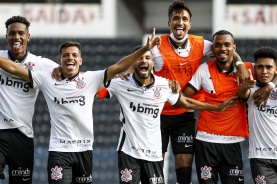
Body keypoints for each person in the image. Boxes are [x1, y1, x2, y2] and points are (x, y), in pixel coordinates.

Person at [0, 28, 161, 183]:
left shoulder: (91, 79)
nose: (70, 58)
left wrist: (145, 49)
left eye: (74, 55)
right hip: (59, 151)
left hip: (84, 150)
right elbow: (14, 68)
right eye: (66, 55)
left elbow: (119, 66)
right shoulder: (46, 79)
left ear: (80, 60)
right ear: (59, 60)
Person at [96, 45, 236, 184]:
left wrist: (216, 108)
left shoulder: (164, 85)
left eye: (148, 58)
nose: (143, 61)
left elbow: (187, 103)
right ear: (133, 63)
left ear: (152, 63)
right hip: (128, 152)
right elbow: (97, 93)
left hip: (154, 154)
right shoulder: (121, 83)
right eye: (139, 58)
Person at [150, 1, 248, 183]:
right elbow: (138, 67)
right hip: (158, 113)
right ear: (169, 23)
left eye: (184, 19)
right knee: (157, 162)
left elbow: (225, 49)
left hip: (184, 113)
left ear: (190, 24)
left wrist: (240, 63)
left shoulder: (200, 43)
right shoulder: (156, 45)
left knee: (184, 163)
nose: (180, 22)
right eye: (176, 18)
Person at [182, 30, 253, 184]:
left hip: (232, 143)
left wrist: (271, 84)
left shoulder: (247, 69)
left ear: (234, 47)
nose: (222, 48)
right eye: (218, 45)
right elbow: (182, 98)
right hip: (206, 141)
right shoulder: (204, 69)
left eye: (227, 44)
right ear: (212, 49)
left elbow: (272, 70)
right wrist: (214, 107)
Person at [0, 15, 59, 183]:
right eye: (12, 33)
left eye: (21, 33)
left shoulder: (40, 64)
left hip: (22, 136)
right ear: (6, 37)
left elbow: (72, 76)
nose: (16, 37)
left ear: (28, 36)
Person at [237, 46, 277, 184]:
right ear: (254, 68)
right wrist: (239, 63)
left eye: (269, 67)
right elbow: (242, 93)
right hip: (260, 157)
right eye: (260, 67)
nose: (264, 71)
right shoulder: (250, 87)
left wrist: (271, 86)